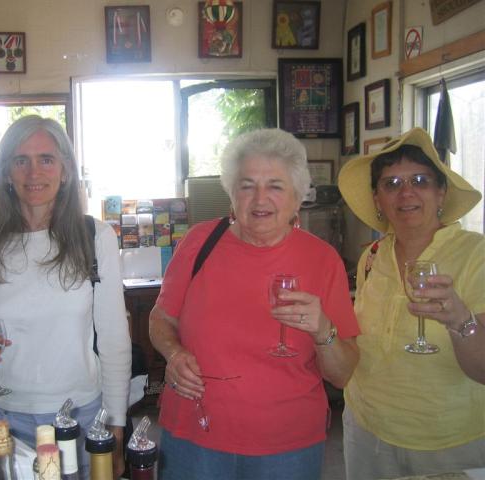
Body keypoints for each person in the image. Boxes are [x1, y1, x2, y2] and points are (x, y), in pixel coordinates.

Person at [149, 128, 360, 479]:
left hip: (287, 447)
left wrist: (323, 329)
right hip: (193, 435)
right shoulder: (200, 242)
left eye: (275, 186)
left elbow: (343, 374)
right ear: (232, 194)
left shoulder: (322, 260)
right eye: (247, 185)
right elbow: (160, 319)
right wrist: (174, 353)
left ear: (296, 197)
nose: (260, 199)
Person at [0, 115, 131, 479]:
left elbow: (114, 340)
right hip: (2, 415)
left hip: (81, 414)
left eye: (46, 159)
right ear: (6, 172)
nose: (33, 172)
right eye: (20, 160)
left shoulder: (95, 237)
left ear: (65, 170)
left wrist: (115, 425)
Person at [338, 127, 485, 479]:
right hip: (366, 429)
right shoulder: (372, 256)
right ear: (377, 199)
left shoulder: (476, 254)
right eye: (390, 184)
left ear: (441, 192)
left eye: (420, 180)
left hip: (447, 442)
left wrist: (460, 321)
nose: (406, 193)